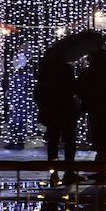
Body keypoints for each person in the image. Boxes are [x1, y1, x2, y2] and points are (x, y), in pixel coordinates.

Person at [35, 43, 79, 184]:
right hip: (66, 109)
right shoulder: (67, 69)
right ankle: (69, 171)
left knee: (53, 142)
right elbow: (72, 88)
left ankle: (54, 173)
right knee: (69, 142)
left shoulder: (44, 71)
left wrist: (43, 106)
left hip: (52, 110)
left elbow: (39, 92)